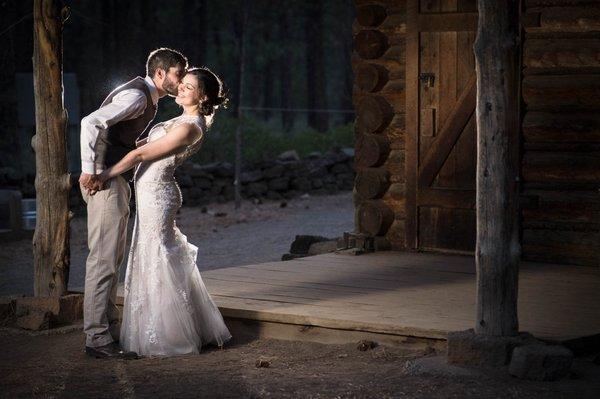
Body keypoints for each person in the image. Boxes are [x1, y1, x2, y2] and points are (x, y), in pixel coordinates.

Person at [94, 67, 232, 356]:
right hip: (150, 193)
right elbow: (140, 145)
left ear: (203, 96)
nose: (181, 89)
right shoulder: (182, 118)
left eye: (189, 87)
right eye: (182, 84)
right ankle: (155, 324)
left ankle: (170, 333)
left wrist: (104, 175)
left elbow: (141, 154)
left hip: (158, 194)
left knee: (157, 253)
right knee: (152, 252)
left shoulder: (190, 126)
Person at [79, 47, 187, 359]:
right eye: (178, 74)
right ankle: (97, 340)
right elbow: (90, 122)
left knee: (111, 257)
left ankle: (107, 332)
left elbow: (120, 137)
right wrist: (90, 170)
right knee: (103, 259)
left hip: (114, 180)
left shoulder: (146, 98)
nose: (181, 82)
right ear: (161, 73)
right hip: (105, 182)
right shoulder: (139, 96)